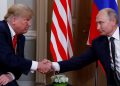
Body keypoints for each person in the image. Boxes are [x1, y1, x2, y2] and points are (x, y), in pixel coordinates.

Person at [43, 8, 120, 86]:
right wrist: (52, 65)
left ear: (113, 21)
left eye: (101, 23)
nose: (97, 27)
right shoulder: (99, 43)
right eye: (97, 23)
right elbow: (79, 61)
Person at [0, 4, 51, 86]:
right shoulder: (1, 30)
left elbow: (19, 62)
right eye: (27, 20)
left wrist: (11, 75)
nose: (30, 24)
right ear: (14, 20)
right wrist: (37, 65)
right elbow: (7, 58)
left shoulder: (21, 38)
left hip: (5, 78)